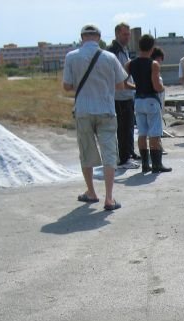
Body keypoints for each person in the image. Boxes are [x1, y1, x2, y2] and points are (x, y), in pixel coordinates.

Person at [63, 24, 129, 211]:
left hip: (83, 110)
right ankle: (109, 198)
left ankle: (91, 192)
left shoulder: (71, 57)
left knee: (86, 152)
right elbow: (121, 86)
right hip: (106, 110)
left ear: (82, 37)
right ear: (99, 38)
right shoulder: (110, 57)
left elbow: (67, 86)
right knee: (109, 153)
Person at [127, 34, 170, 174]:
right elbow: (156, 86)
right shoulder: (154, 64)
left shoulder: (130, 64)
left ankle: (145, 164)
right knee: (154, 134)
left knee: (142, 133)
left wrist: (134, 87)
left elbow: (121, 82)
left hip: (138, 100)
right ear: (152, 48)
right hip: (151, 100)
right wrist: (162, 88)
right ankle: (157, 165)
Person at [108, 22, 138, 169]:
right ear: (117, 34)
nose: (127, 37)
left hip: (127, 95)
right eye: (125, 34)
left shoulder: (123, 50)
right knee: (122, 128)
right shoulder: (114, 52)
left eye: (129, 35)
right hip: (119, 96)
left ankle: (129, 153)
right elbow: (121, 77)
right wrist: (136, 87)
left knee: (129, 127)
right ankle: (123, 158)